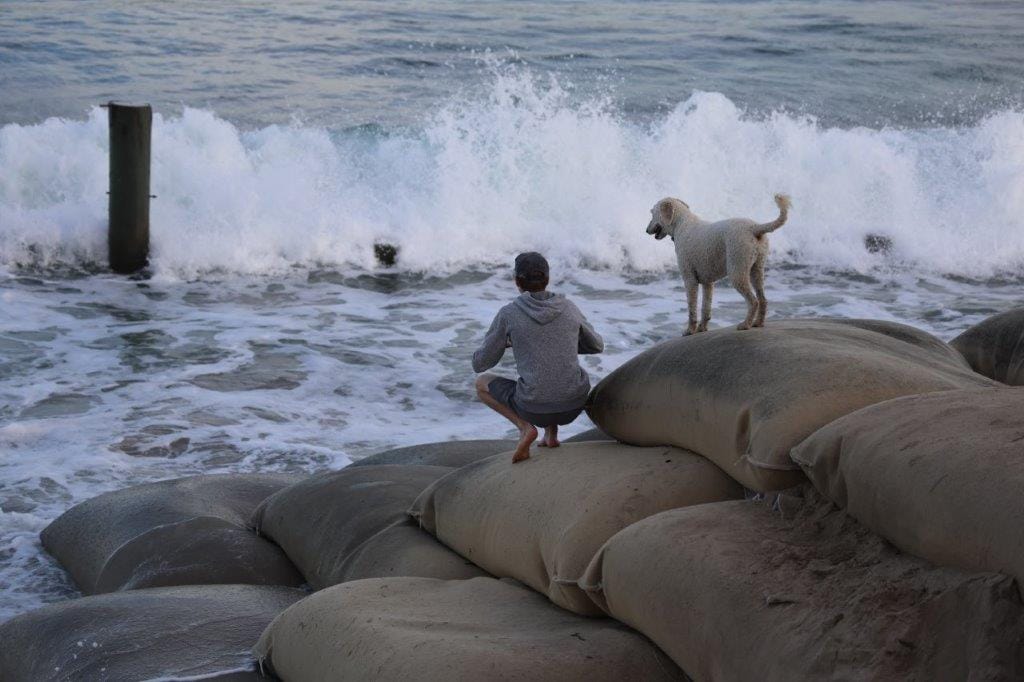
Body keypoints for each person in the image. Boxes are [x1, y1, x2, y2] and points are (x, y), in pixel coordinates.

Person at [472, 252, 604, 463]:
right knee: (552, 367)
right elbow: (597, 345)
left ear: (517, 281)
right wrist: (560, 341)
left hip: (533, 409)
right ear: (548, 279)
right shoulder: (569, 307)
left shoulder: (509, 314)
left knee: (482, 383)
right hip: (574, 405)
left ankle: (525, 429)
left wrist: (509, 344)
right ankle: (551, 436)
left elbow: (480, 364)